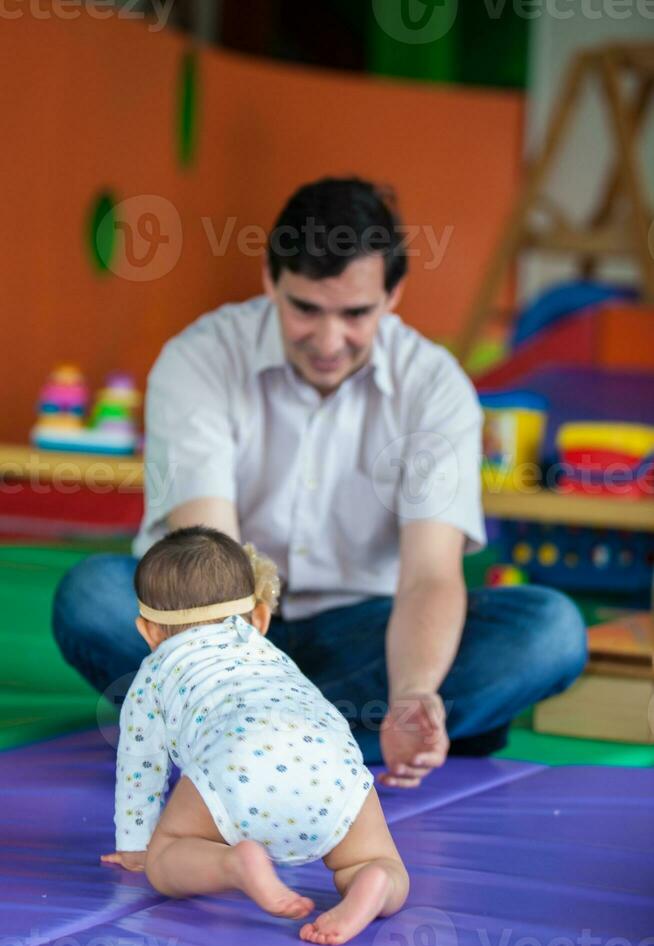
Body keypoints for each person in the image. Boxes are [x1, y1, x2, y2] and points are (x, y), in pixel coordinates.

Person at [53, 176, 587, 789]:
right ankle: (319, 732)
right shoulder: (199, 358)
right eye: (305, 308)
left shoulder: (436, 387)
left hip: (366, 629)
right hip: (218, 620)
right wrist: (239, 672)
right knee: (92, 597)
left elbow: (430, 576)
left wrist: (414, 693)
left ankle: (233, 734)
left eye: (356, 314)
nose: (329, 341)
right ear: (270, 281)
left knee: (550, 630)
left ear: (394, 295)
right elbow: (209, 560)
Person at [101, 526, 409, 946]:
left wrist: (137, 845)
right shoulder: (267, 652)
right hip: (330, 759)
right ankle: (372, 882)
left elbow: (141, 763)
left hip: (236, 758)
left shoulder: (153, 674)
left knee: (165, 856)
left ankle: (234, 864)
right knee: (375, 858)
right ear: (260, 618)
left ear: (148, 631)